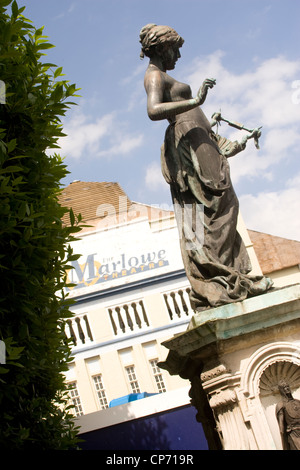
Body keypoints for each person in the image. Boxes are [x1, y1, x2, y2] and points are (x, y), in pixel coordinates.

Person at [140, 24, 273, 311]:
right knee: (216, 207)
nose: (177, 54)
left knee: (223, 205)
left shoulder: (163, 74)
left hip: (197, 136)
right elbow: (153, 111)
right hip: (187, 139)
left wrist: (219, 139)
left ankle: (236, 278)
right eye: (175, 48)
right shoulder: (154, 75)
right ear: (162, 47)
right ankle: (225, 280)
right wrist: (196, 100)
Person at [276, 380, 300, 450]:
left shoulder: (298, 402)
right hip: (294, 435)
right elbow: (282, 429)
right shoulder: (281, 405)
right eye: (284, 387)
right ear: (281, 390)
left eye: (287, 386)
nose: (287, 388)